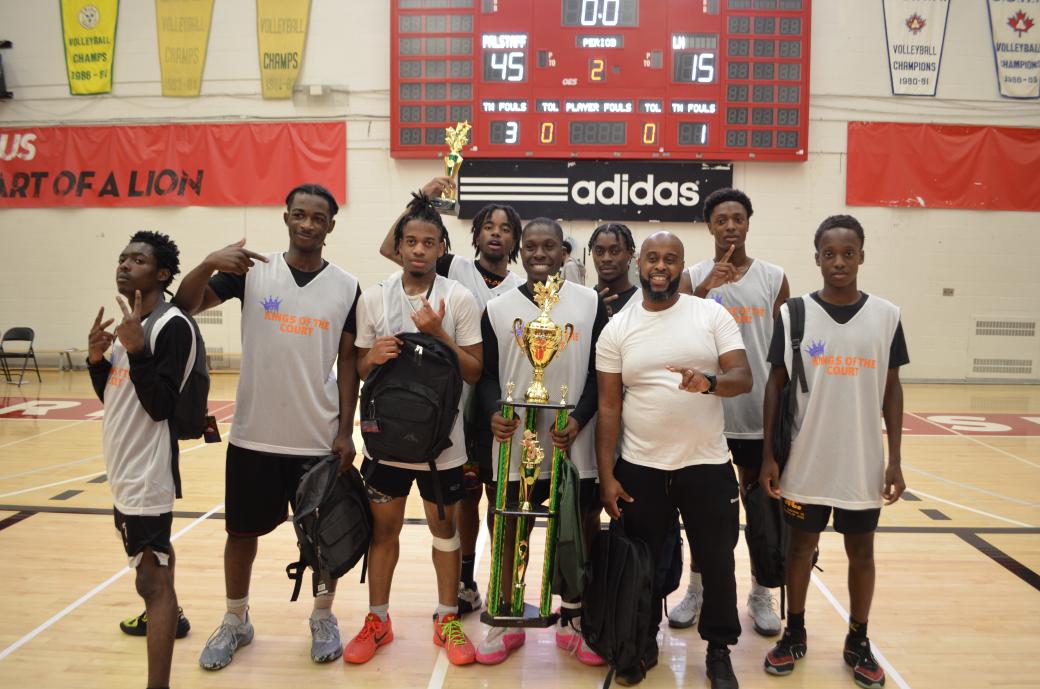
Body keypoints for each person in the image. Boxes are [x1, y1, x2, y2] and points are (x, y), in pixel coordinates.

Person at [174, 184, 362, 670]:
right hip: (254, 434)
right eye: (299, 215)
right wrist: (209, 263)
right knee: (241, 534)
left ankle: (323, 615)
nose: (307, 224)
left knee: (325, 537)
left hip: (316, 437)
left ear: (330, 226)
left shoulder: (347, 285)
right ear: (286, 218)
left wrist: (345, 432)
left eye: (317, 217)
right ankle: (236, 619)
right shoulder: (252, 273)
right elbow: (185, 304)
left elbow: (347, 360)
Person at [596, 231, 752, 688]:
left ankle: (719, 650)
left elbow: (741, 376)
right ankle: (641, 640)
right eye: (652, 258)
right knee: (641, 563)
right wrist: (607, 477)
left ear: (683, 267)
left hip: (705, 465)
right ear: (638, 264)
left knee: (718, 562)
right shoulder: (618, 328)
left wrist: (708, 381)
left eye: (671, 259)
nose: (660, 266)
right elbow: (609, 408)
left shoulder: (711, 314)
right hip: (641, 468)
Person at [760, 215, 907, 689]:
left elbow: (892, 388)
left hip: (862, 463)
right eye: (829, 253)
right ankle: (795, 631)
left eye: (848, 253)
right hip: (806, 461)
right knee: (799, 549)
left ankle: (858, 639)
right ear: (817, 257)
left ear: (862, 255)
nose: (839, 261)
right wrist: (769, 456)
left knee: (861, 551)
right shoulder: (793, 313)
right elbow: (775, 386)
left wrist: (896, 459)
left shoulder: (887, 315)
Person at [344, 192, 483, 667]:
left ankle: (447, 617)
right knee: (384, 531)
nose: (419, 249)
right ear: (398, 247)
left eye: (429, 242)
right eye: (411, 241)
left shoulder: (459, 298)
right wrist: (371, 358)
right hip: (385, 444)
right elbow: (360, 368)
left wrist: (440, 335)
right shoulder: (375, 297)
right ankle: (378, 619)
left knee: (445, 530)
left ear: (442, 248)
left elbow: (474, 372)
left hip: (442, 447)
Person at [378, 178, 524, 615]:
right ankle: (464, 580)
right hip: (452, 404)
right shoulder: (454, 268)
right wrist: (418, 199)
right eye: (489, 226)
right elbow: (393, 249)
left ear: (514, 240)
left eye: (506, 228)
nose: (496, 233)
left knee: (500, 500)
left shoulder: (520, 287)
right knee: (465, 501)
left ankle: (503, 584)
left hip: (496, 403)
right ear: (475, 234)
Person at [475, 218, 608, 666]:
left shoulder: (590, 304)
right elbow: (488, 375)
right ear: (520, 252)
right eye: (530, 246)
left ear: (563, 252)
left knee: (575, 534)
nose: (538, 253)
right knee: (511, 533)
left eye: (548, 246)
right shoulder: (496, 307)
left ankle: (572, 619)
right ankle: (506, 620)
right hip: (515, 445)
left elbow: (597, 374)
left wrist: (580, 418)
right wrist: (495, 410)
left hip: (572, 445)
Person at [671, 188, 790, 636]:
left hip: (759, 413)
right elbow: (678, 327)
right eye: (721, 220)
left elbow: (782, 353)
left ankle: (761, 592)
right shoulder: (693, 276)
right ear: (710, 227)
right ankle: (697, 588)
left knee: (761, 514)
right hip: (709, 414)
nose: (730, 227)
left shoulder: (774, 277)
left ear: (748, 222)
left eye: (737, 218)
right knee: (705, 512)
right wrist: (705, 290)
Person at [88, 231, 193, 689]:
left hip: (146, 472)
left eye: (139, 260)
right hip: (124, 468)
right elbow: (117, 398)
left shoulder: (171, 326)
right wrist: (98, 360)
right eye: (123, 258)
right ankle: (175, 618)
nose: (126, 265)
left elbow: (161, 405)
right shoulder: (132, 323)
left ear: (162, 273)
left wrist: (134, 349)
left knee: (151, 582)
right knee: (154, 572)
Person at [589, 222, 639, 317]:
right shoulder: (584, 300)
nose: (606, 258)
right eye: (599, 251)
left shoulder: (643, 301)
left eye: (615, 251)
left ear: (630, 254)